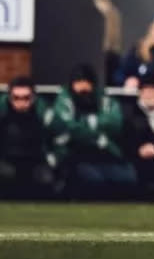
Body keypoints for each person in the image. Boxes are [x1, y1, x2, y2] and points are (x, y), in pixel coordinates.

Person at [48, 64, 136, 200]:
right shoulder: (64, 100)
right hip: (75, 153)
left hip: (105, 153)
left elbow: (115, 123)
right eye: (78, 82)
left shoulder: (104, 100)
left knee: (128, 176)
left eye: (86, 82)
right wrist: (97, 135)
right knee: (93, 179)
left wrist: (86, 123)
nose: (83, 87)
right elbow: (69, 127)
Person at [0, 76, 52, 199]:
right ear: (9, 98)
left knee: (46, 178)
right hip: (6, 164)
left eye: (26, 98)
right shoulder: (3, 117)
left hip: (35, 165)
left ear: (33, 98)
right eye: (16, 98)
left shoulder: (43, 117)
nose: (21, 102)